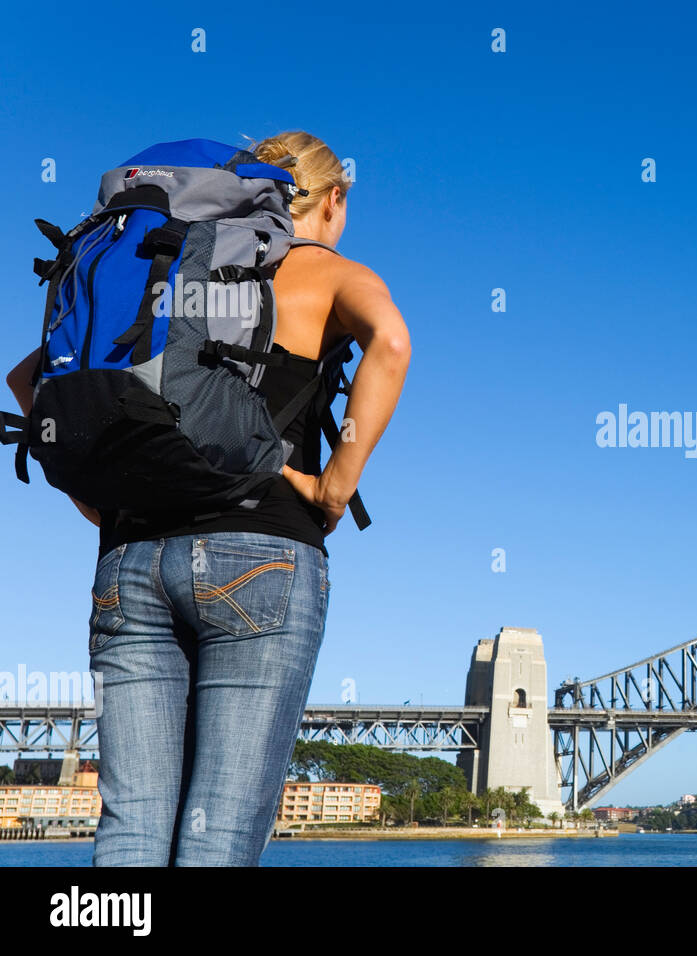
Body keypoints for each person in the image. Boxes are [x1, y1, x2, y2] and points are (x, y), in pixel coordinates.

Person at [5, 130, 411, 865]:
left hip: (128, 563)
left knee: (130, 827)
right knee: (218, 833)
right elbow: (391, 341)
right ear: (335, 197)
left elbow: (28, 380)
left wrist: (90, 496)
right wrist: (334, 482)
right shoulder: (323, 272)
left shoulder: (175, 263)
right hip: (261, 555)